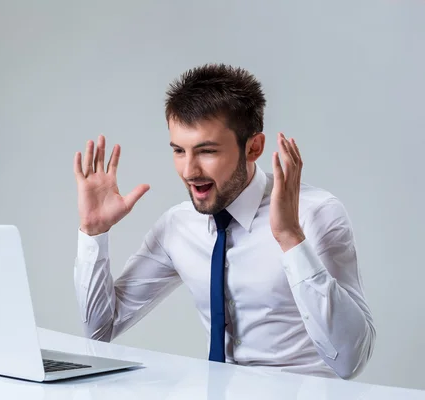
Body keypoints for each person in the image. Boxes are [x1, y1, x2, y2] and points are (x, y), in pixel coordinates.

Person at [71, 63, 375, 380]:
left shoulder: (317, 214)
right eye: (179, 150)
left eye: (207, 151)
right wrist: (94, 233)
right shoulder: (178, 226)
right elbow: (99, 330)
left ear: (253, 147)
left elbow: (351, 361)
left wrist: (290, 238)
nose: (189, 170)